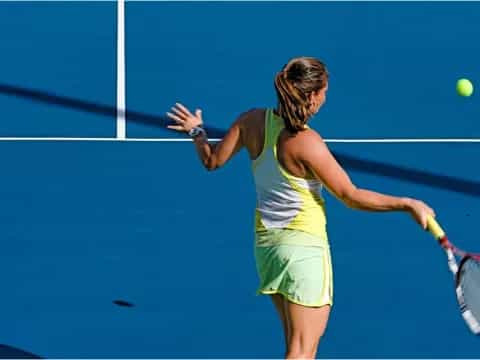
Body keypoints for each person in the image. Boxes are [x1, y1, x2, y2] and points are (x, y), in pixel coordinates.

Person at [166, 56, 435, 359]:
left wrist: (196, 132)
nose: (326, 98)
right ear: (310, 95)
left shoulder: (251, 121)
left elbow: (211, 161)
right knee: (302, 352)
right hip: (303, 254)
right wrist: (408, 204)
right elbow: (350, 194)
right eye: (324, 92)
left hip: (269, 251)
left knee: (296, 348)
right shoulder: (307, 143)